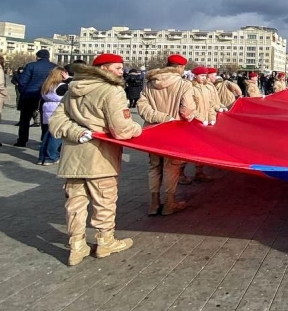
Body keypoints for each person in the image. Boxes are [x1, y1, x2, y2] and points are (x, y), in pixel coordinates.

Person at [49, 53, 142, 266]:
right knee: (104, 201)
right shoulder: (112, 90)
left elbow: (57, 120)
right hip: (101, 156)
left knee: (75, 204)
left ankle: (76, 246)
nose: (122, 72)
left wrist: (76, 132)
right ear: (105, 69)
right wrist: (138, 129)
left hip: (72, 155)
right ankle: (105, 241)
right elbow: (121, 129)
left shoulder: (73, 88)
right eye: (118, 68)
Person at [137, 53, 197, 211]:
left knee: (154, 166)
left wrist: (158, 117)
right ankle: (170, 203)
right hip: (174, 131)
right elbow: (187, 111)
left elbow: (142, 107)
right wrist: (171, 118)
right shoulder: (184, 85)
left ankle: (154, 202)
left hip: (152, 130)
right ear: (181, 67)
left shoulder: (150, 83)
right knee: (172, 166)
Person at [14, 49, 56, 147]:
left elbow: (23, 81)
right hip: (47, 95)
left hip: (29, 94)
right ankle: (44, 139)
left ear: (37, 57)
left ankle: (22, 140)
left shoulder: (31, 65)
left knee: (25, 119)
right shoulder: (54, 67)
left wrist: (23, 92)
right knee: (46, 119)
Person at [38, 66, 70, 165]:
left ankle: (42, 157)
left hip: (47, 108)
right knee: (56, 135)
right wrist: (68, 79)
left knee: (47, 135)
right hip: (57, 109)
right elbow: (76, 86)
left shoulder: (46, 85)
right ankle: (51, 157)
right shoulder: (62, 86)